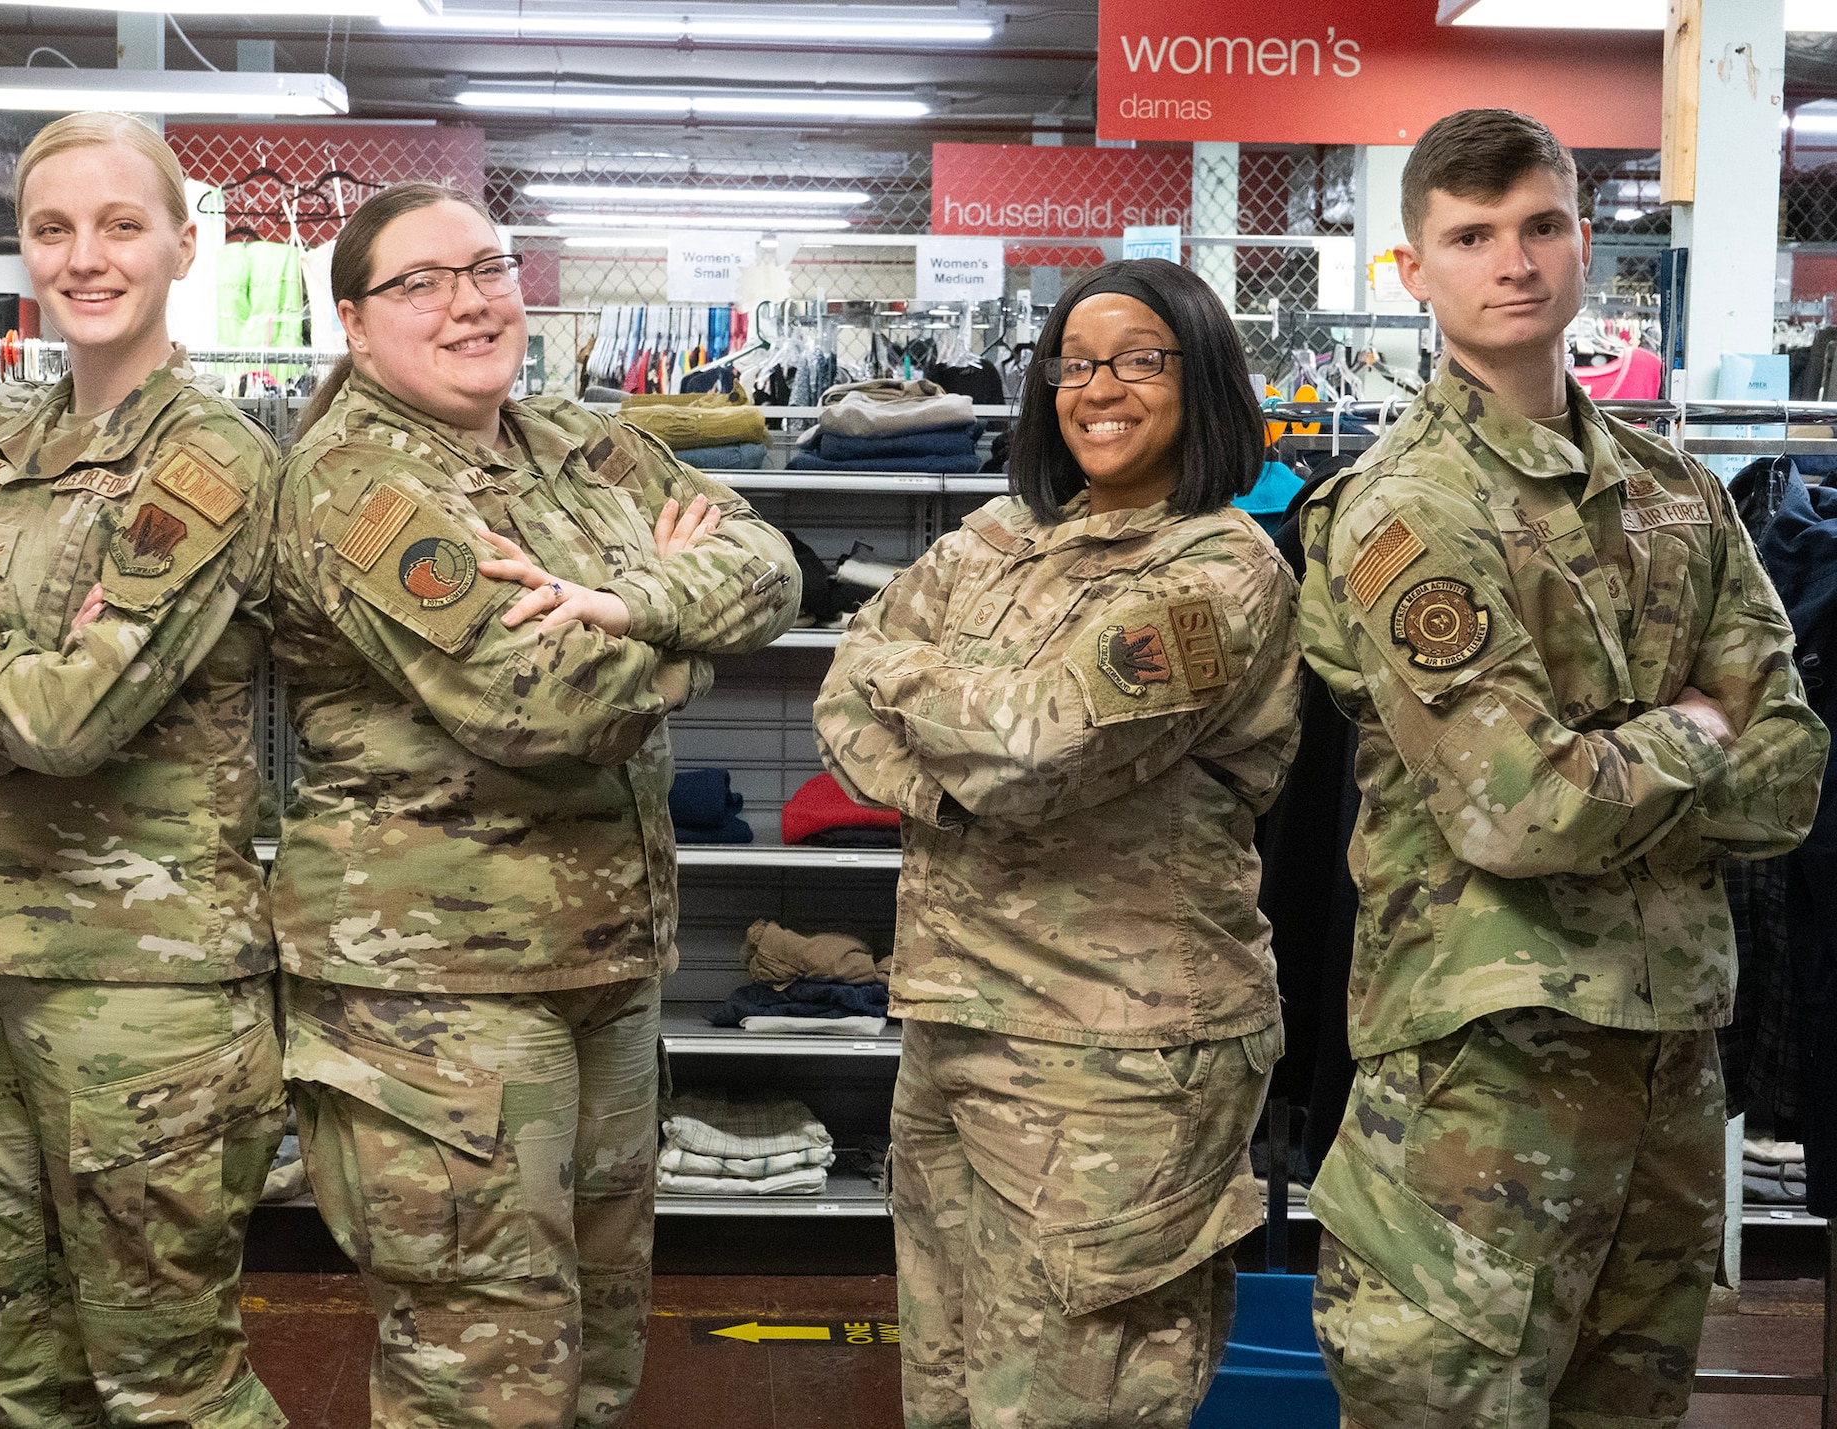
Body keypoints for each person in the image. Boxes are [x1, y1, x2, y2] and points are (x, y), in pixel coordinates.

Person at [1298, 108, 1830, 1426]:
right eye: (1471, 237)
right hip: (1487, 1081)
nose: (1514, 262)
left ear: (1587, 247)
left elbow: (1794, 772)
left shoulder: (1678, 494)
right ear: (1414, 273)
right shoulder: (1406, 508)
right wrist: (1698, 724)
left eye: (1540, 226)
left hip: (1669, 1067)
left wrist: (1634, 765)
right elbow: (1519, 809)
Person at [268, 181, 799, 1428]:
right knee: (482, 1370)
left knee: (599, 1348)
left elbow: (774, 565)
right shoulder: (358, 488)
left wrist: (624, 604)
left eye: (487, 268)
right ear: (353, 323)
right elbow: (539, 702)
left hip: (600, 961)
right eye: (419, 284)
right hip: (434, 995)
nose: (467, 303)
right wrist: (665, 593)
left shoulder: (571, 436)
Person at [0, 112, 286, 1428]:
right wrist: (5, 659)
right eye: (52, 229)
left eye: (119, 225)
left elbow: (67, 724)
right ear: (24, 252)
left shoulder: (213, 460)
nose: (84, 257)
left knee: (169, 1381)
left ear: (180, 246)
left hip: (139, 990)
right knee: (18, 1364)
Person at [814, 257, 1302, 1428]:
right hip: (956, 1022)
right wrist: (959, 773)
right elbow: (840, 696)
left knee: (1077, 1402)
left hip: (1118, 1058)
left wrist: (920, 687)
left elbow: (1035, 750)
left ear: (1202, 381)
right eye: (1074, 363)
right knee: (947, 1382)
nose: (1099, 388)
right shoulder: (998, 534)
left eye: (1139, 359)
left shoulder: (1217, 572)